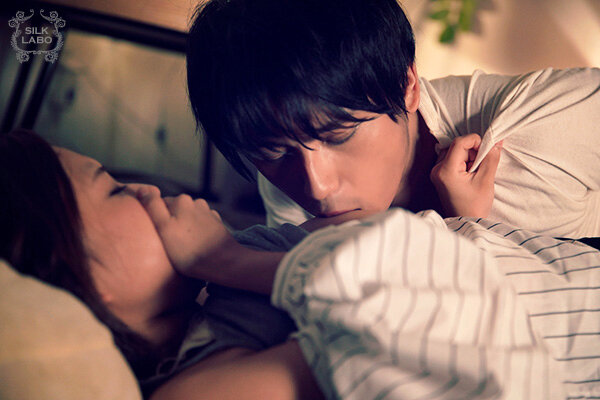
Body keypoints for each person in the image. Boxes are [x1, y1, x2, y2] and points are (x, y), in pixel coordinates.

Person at [1, 129, 599, 399]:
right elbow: (425, 318)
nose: (146, 190)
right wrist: (221, 257)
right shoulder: (201, 387)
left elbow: (394, 244)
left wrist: (467, 222)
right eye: (111, 189)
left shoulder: (224, 281)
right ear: (67, 278)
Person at [186, 0, 600, 238]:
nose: (316, 187)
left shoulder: (543, 118)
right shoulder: (286, 171)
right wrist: (463, 227)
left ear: (408, 86)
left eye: (339, 135)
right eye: (275, 153)